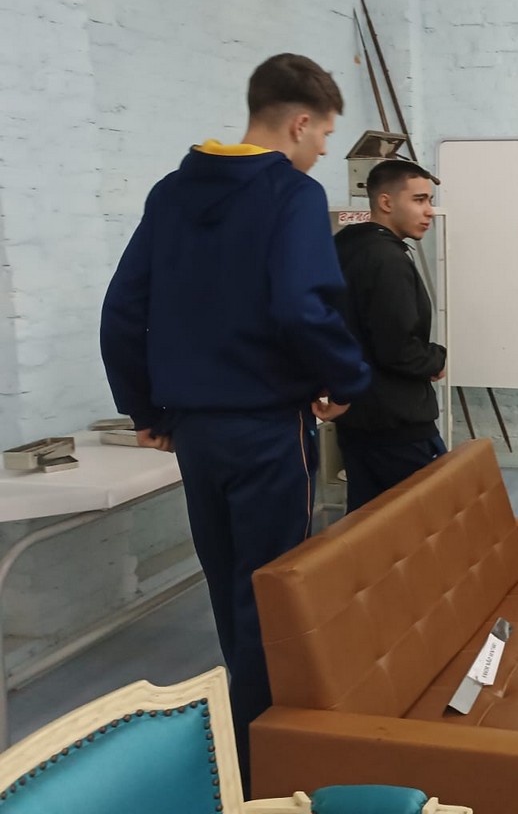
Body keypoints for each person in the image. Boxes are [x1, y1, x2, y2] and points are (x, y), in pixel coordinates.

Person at [100, 53, 370, 788]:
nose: (324, 150)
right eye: (325, 135)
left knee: (228, 589)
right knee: (274, 597)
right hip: (267, 428)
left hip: (195, 431)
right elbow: (301, 306)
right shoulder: (292, 195)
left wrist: (145, 409)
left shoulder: (170, 192)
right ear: (301, 122)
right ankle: (268, 768)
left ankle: (240, 748)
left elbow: (123, 308)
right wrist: (346, 378)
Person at [333, 158, 447, 512]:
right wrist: (437, 358)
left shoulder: (345, 247)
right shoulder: (386, 259)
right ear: (385, 202)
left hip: (357, 415)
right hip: (397, 422)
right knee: (429, 519)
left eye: (429, 200)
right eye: (418, 200)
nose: (428, 211)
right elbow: (398, 349)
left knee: (369, 524)